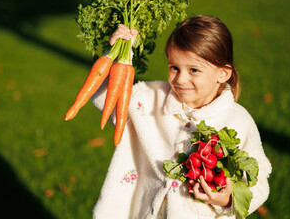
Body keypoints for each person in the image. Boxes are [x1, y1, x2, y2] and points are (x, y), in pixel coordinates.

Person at [91, 15, 271, 219]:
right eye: (174, 67)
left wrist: (228, 200)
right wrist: (116, 56)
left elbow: (259, 181)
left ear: (222, 74)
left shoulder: (238, 122)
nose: (181, 79)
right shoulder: (149, 99)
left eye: (194, 70)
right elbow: (106, 97)